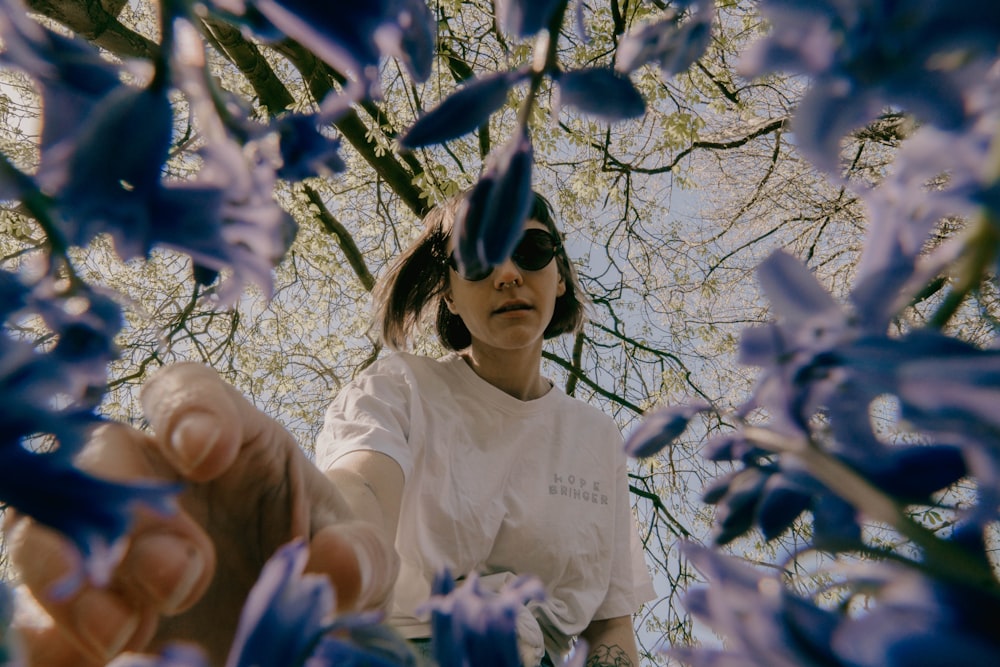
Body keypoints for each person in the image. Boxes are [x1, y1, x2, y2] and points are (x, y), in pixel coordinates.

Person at [6, 191, 654, 667]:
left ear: (560, 273)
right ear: (450, 294)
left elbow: (611, 627)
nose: (509, 271)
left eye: (532, 247)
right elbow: (362, 494)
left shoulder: (597, 437)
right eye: (479, 256)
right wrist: (308, 549)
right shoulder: (402, 385)